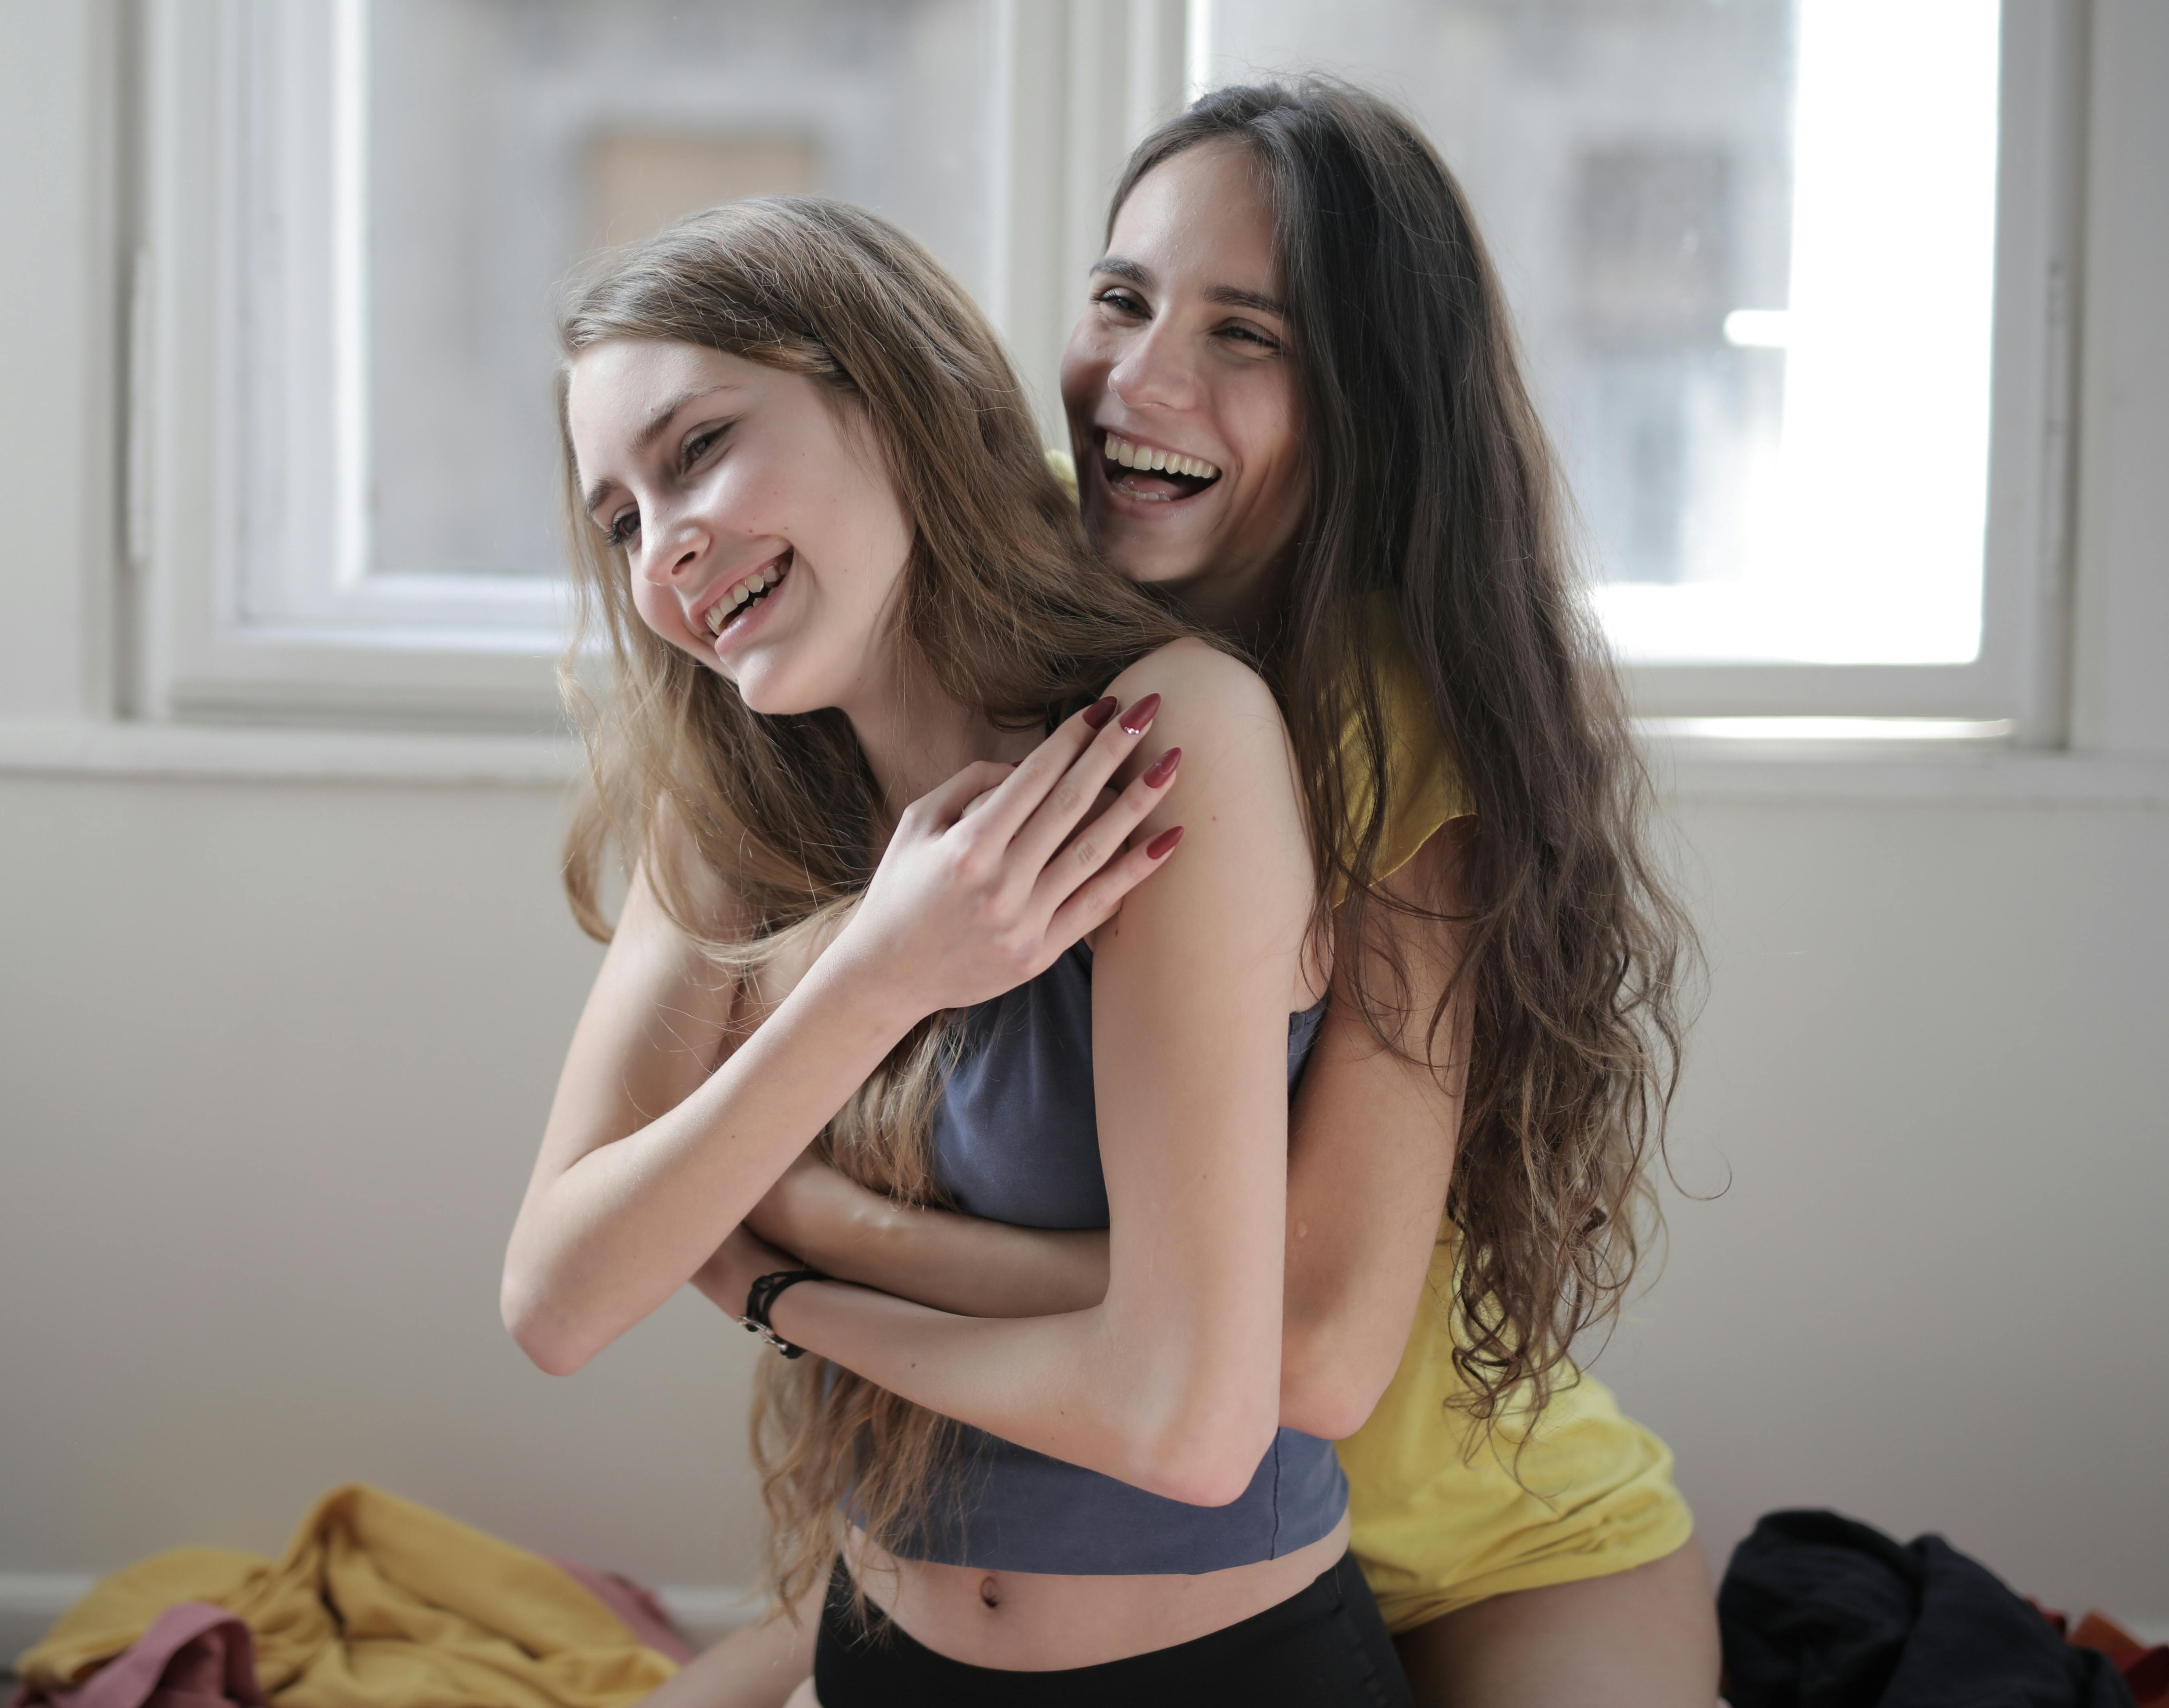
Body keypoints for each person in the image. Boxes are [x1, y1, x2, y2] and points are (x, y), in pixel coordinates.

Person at [666, 80, 1718, 1708]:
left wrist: (806, 1231)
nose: (1138, 379)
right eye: (1121, 298)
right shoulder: (997, 628)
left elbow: (1299, 1350)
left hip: (1474, 1542)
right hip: (1118, 1513)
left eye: (1249, 336)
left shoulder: (1397, 727)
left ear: (1370, 407)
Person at [502, 195, 1416, 1704]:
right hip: (882, 1649)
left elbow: (1185, 1423)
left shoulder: (1166, 732)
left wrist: (784, 1293)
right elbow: (558, 1298)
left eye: (697, 450)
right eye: (620, 521)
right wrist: (883, 971)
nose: (663, 549)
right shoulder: (737, 797)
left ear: (895, 392)